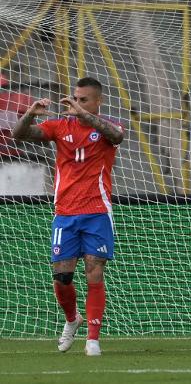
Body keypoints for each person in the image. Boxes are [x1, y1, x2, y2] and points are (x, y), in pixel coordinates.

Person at [12, 77, 124, 356]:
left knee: (94, 272)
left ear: (98, 102)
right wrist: (29, 113)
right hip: (65, 212)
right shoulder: (60, 127)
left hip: (97, 211)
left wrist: (84, 114)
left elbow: (117, 136)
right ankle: (72, 319)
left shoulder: (109, 128)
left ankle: (93, 340)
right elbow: (18, 134)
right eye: (75, 98)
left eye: (83, 99)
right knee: (62, 278)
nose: (76, 103)